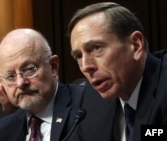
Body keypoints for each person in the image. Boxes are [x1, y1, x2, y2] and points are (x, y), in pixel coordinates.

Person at [68, 2, 167, 141]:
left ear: (136, 45)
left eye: (96, 48)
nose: (85, 66)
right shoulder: (91, 101)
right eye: (79, 56)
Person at [0, 28, 87, 141]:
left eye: (29, 69)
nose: (20, 83)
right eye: (10, 76)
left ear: (53, 67)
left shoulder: (86, 104)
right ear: (1, 82)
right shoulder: (0, 132)